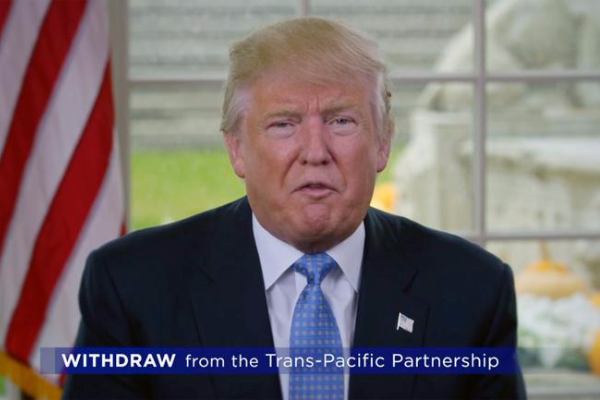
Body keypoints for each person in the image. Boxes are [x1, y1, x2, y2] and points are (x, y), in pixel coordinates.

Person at [63, 17, 526, 400]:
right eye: (284, 124)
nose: (315, 152)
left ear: (383, 143)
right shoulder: (132, 287)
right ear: (236, 149)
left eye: (341, 121)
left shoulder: (472, 291)